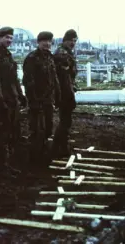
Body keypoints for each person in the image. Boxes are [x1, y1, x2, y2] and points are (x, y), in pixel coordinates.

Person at [0, 27, 27, 165]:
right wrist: (0, 100)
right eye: (7, 37)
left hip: (11, 97)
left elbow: (14, 78)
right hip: (0, 99)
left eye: (11, 38)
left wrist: (20, 95)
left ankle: (12, 159)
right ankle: (2, 162)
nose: (9, 40)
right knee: (3, 129)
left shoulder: (7, 55)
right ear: (0, 37)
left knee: (14, 128)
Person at [22, 31, 60, 156]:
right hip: (37, 100)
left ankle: (44, 153)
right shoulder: (32, 58)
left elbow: (54, 79)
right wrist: (33, 101)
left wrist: (57, 96)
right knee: (37, 129)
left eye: (49, 41)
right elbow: (28, 82)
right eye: (44, 41)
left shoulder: (49, 57)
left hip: (49, 99)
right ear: (38, 42)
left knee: (48, 128)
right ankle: (34, 157)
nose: (47, 44)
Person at [52, 29, 78, 157]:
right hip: (63, 92)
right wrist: (69, 95)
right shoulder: (62, 54)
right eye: (71, 40)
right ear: (65, 40)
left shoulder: (67, 53)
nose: (73, 43)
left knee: (66, 120)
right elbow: (64, 78)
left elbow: (71, 76)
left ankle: (61, 146)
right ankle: (58, 147)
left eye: (75, 41)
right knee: (65, 120)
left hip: (67, 90)